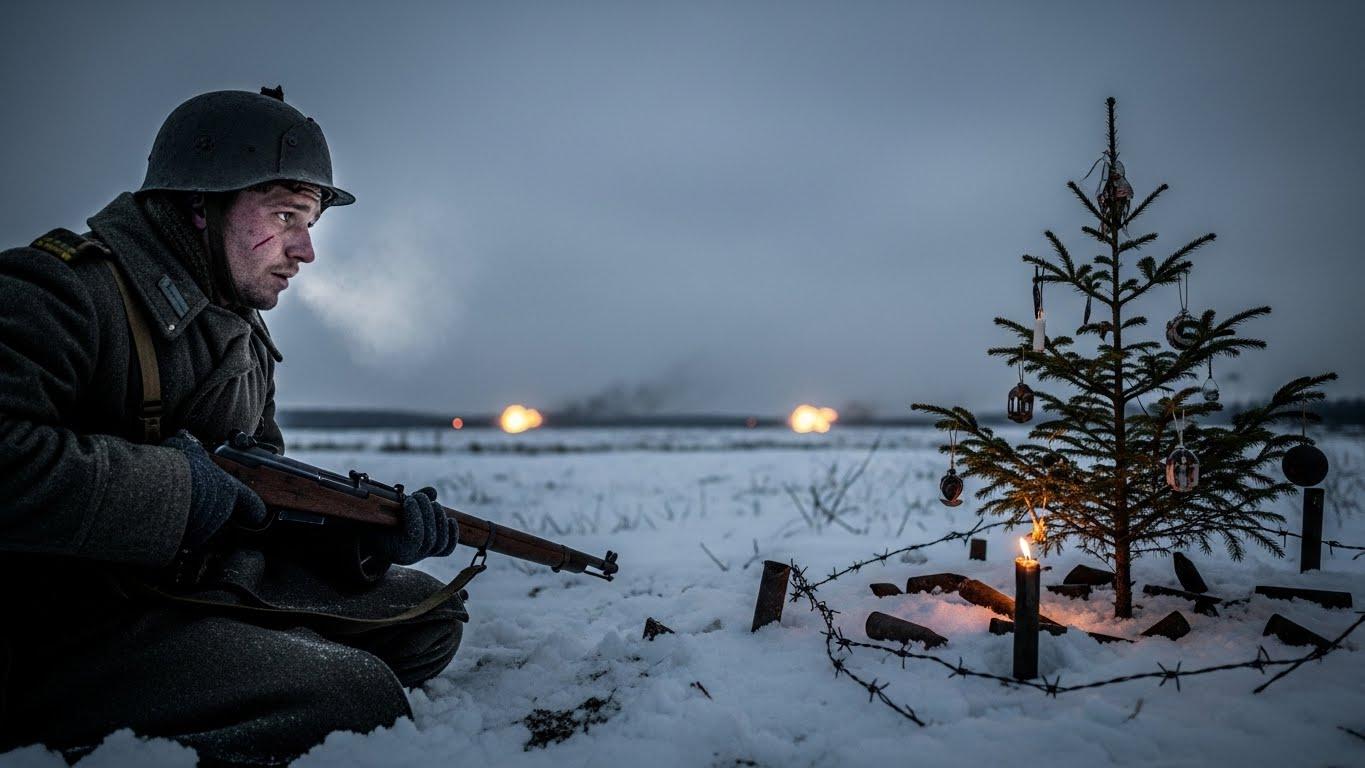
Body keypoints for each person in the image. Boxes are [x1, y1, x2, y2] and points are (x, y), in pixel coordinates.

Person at [0, 87, 466, 766]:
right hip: (52, 624)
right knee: (350, 699)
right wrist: (177, 489)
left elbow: (257, 505)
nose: (304, 250)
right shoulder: (60, 292)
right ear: (199, 206)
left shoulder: (243, 337)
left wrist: (362, 539)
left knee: (425, 617)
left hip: (175, 589)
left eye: (308, 223)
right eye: (284, 216)